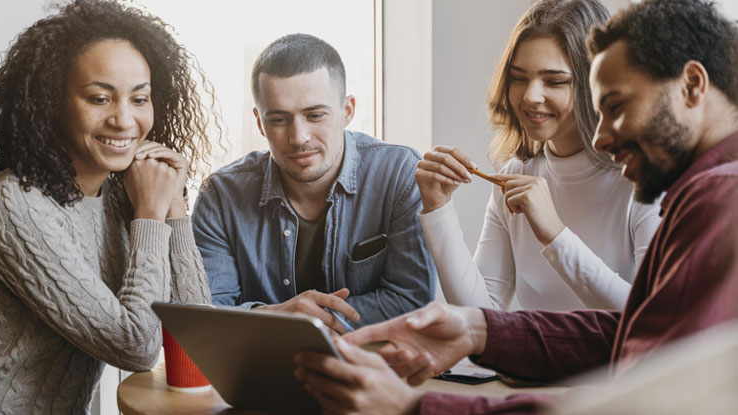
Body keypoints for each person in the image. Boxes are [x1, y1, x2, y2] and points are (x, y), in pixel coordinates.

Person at [294, 0, 738, 413]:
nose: (602, 136)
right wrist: (477, 329)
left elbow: (645, 393)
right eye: (519, 78)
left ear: (693, 85)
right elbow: (635, 336)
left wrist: (417, 407)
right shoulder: (694, 188)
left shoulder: (715, 197)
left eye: (616, 106)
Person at [0, 0, 219, 413]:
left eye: (139, 98)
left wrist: (175, 207)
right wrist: (150, 213)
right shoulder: (12, 205)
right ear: (51, 101)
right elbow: (136, 348)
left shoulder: (120, 192)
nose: (124, 120)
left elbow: (199, 336)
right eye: (99, 98)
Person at [415, 0, 661, 311]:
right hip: (536, 360)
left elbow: (648, 318)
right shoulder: (515, 174)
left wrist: (555, 234)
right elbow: (480, 314)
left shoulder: (643, 180)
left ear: (596, 85)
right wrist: (438, 208)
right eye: (519, 78)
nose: (530, 96)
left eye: (554, 81)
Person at [192, 33, 437, 332]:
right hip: (257, 371)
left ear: (347, 111)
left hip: (374, 368)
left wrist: (303, 319)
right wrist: (281, 315)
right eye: (279, 120)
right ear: (259, 122)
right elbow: (208, 313)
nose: (299, 137)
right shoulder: (221, 195)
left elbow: (413, 302)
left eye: (315, 115)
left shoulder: (399, 173)